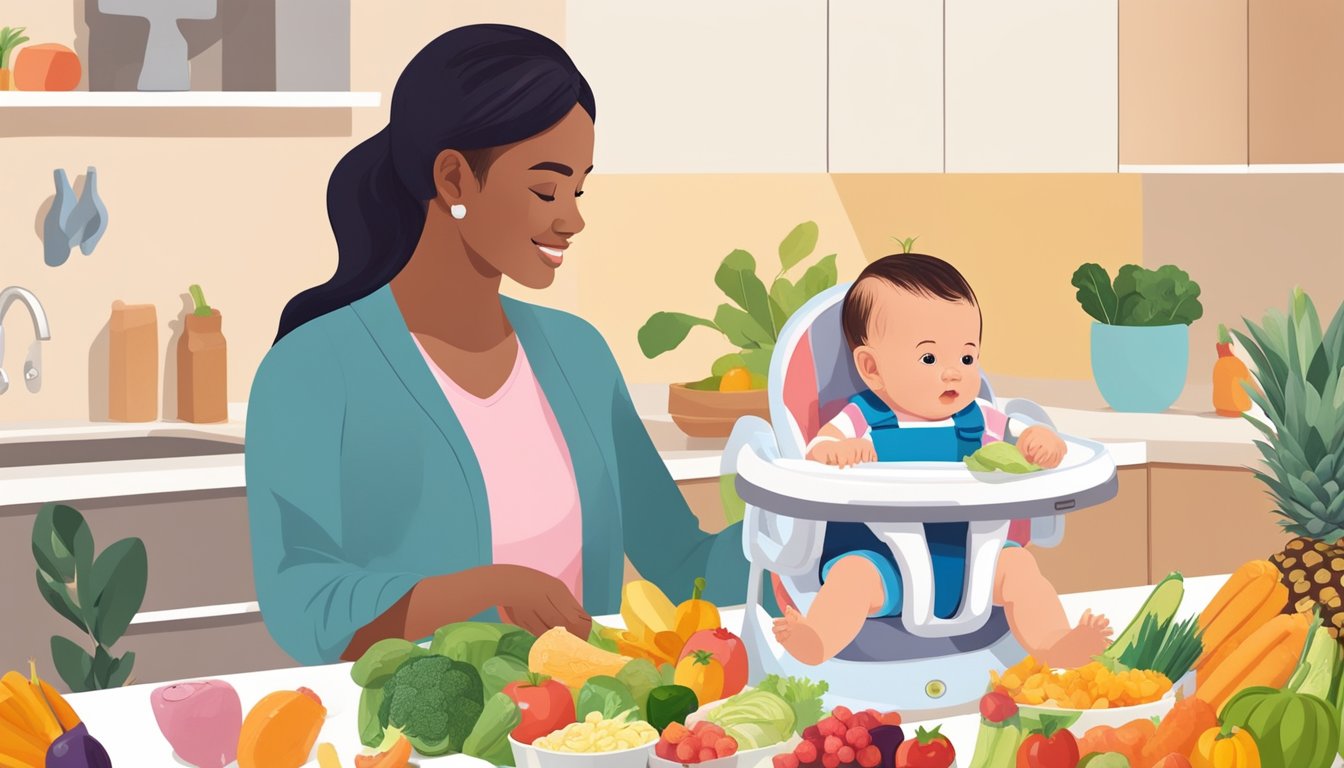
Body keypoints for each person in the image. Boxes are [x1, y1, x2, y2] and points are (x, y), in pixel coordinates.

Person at [244, 24, 761, 667]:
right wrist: (485, 589)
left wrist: (809, 528)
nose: (572, 218)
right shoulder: (312, 368)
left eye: (578, 190)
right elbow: (304, 602)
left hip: (579, 732)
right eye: (547, 189)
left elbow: (682, 565)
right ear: (455, 179)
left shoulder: (578, 356)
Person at [772, 253, 1113, 668]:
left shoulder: (980, 419)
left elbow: (1021, 434)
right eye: (929, 359)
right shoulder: (862, 417)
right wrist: (836, 452)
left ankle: (1055, 642)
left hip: (975, 558)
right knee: (851, 580)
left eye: (967, 358)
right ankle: (818, 639)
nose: (953, 373)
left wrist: (1041, 441)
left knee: (1020, 568)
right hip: (883, 560)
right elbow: (816, 453)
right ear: (871, 368)